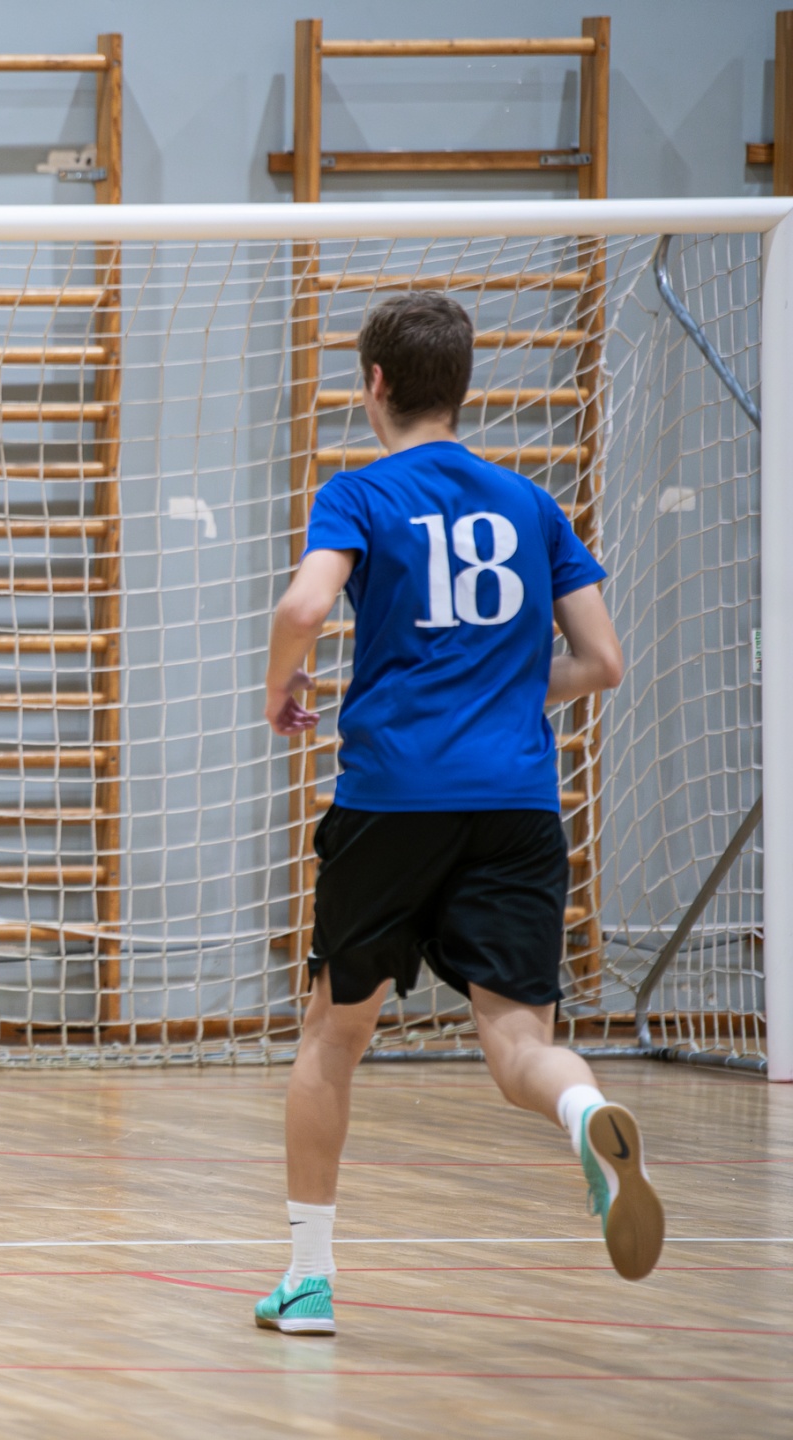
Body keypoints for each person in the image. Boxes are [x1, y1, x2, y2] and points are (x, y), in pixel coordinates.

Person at [254, 292, 656, 1337]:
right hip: (517, 804)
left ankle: (309, 1281)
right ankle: (584, 1108)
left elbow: (305, 606)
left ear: (375, 383)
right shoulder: (531, 504)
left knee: (332, 1036)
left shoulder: (360, 492)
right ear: (464, 386)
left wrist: (282, 682)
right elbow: (604, 662)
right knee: (520, 1043)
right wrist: (511, 693)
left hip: (394, 800)